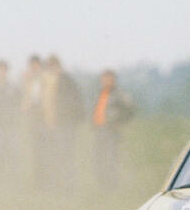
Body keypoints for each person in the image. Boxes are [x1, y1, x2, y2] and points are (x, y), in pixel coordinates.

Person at [35, 55, 83, 188]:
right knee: (53, 156)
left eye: (54, 65)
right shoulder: (46, 82)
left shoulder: (66, 81)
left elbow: (73, 103)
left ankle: (68, 186)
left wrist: (67, 120)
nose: (52, 69)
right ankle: (54, 185)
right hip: (50, 125)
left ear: (58, 66)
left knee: (66, 156)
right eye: (49, 66)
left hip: (65, 125)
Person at [91, 69, 134, 187]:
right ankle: (102, 184)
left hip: (111, 130)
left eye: (108, 79)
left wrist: (119, 122)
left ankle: (111, 185)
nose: (105, 81)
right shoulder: (100, 93)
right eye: (104, 79)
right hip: (99, 129)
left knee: (110, 158)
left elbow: (129, 110)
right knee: (99, 157)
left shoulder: (119, 94)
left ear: (113, 80)